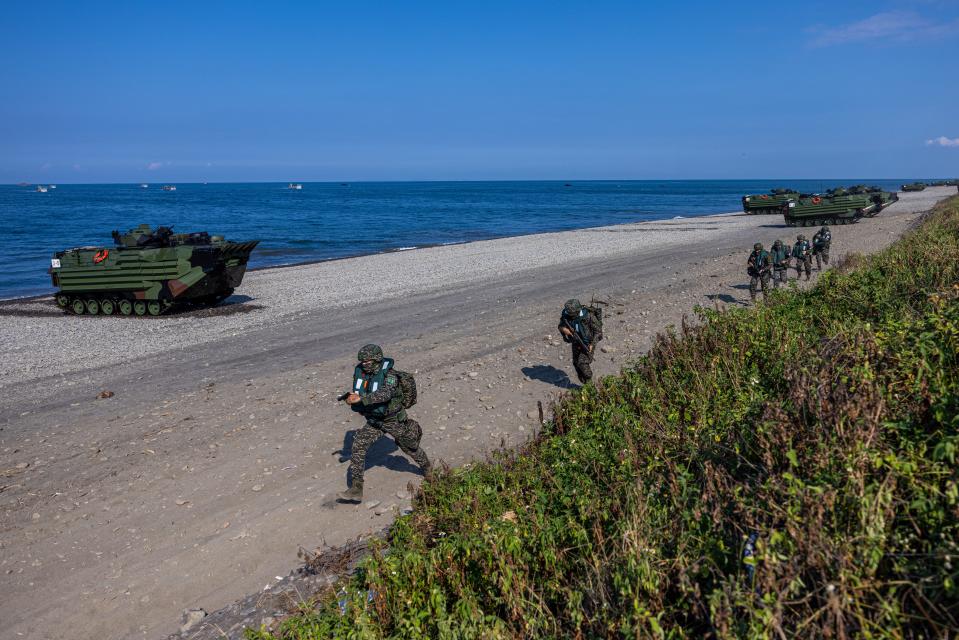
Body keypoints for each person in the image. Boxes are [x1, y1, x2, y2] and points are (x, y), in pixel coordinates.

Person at [337, 344, 431, 503]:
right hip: (374, 421)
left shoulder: (390, 375)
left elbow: (385, 394)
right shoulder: (363, 374)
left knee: (410, 448)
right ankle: (356, 488)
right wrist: (351, 398)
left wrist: (363, 399)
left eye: (367, 362)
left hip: (393, 420)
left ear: (377, 360)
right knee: (358, 445)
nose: (364, 364)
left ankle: (428, 470)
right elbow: (361, 392)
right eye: (362, 362)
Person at [558, 299, 603, 384]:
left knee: (582, 363)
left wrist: (592, 344)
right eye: (570, 314)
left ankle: (590, 382)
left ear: (578, 310)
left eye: (573, 314)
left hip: (588, 343)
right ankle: (585, 384)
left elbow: (598, 332)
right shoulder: (566, 315)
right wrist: (564, 330)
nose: (571, 316)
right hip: (575, 341)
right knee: (576, 364)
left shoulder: (588, 316)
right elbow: (560, 325)